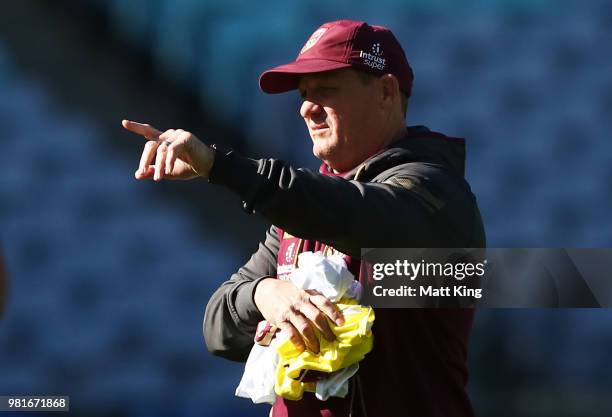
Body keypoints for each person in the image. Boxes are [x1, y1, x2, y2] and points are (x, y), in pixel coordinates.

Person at [124, 19, 485, 417]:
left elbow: (360, 217)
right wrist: (265, 294)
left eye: (326, 90)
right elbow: (217, 326)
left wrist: (219, 166)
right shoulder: (305, 214)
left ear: (385, 91)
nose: (306, 108)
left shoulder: (434, 193)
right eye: (303, 93)